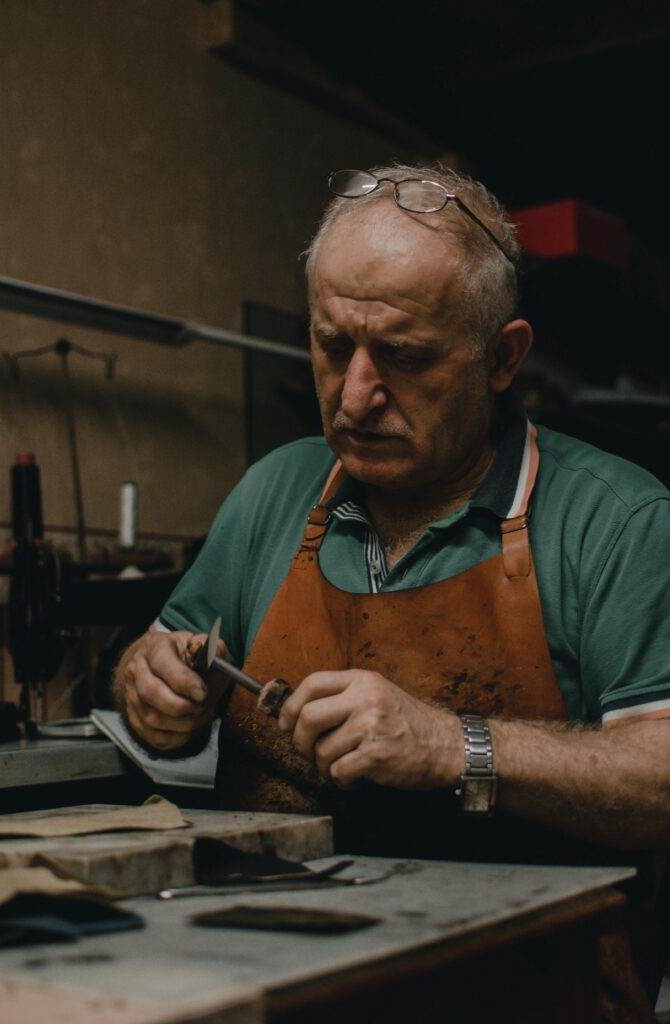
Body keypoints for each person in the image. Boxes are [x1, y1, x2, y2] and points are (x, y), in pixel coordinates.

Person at [114, 164, 670, 1021]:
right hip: (263, 983)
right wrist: (150, 682)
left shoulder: (617, 521)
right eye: (333, 346)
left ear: (502, 358)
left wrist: (455, 747)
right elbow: (161, 656)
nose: (356, 395)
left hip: (526, 997)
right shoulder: (273, 491)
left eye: (405, 357)